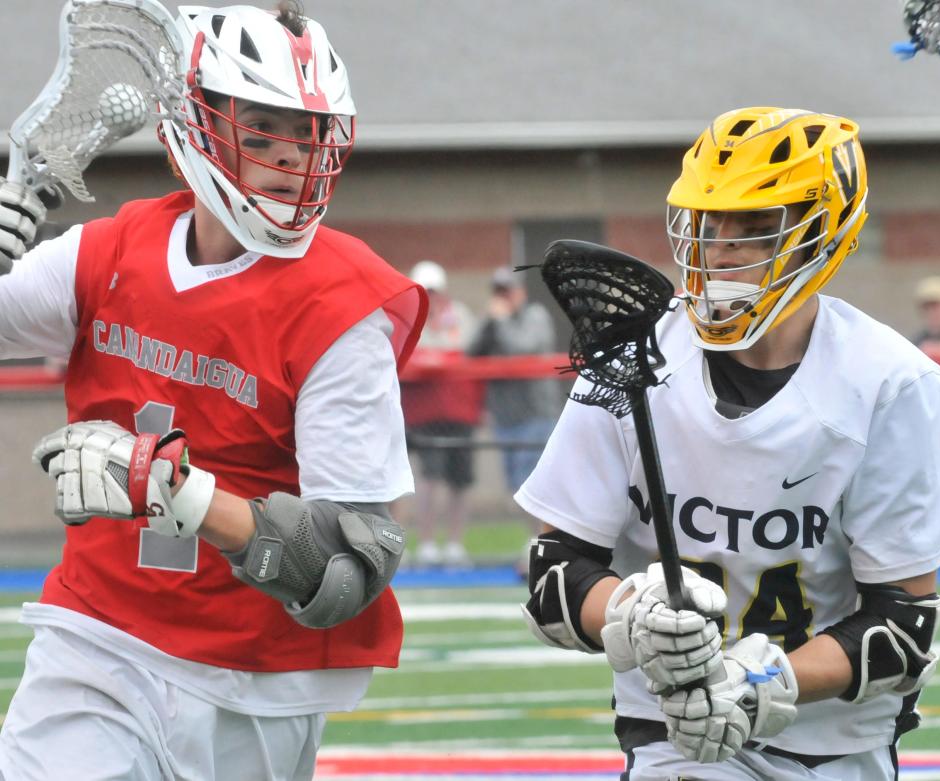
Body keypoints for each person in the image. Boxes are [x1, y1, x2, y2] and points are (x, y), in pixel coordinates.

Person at [0, 3, 425, 780]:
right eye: (262, 131)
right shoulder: (105, 250)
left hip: (251, 678)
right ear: (192, 123)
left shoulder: (342, 304)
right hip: (95, 634)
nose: (292, 159)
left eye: (308, 133)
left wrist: (172, 490)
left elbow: (348, 562)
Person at [516, 107, 940, 780]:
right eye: (707, 226)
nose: (717, 253)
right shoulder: (632, 356)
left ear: (821, 237)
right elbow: (554, 574)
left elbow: (900, 629)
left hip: (834, 740)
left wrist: (760, 684)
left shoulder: (892, 385)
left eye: (752, 231)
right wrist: (634, 612)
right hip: (674, 736)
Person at [401, 260, 482, 566]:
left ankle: (455, 544)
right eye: (425, 291)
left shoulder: (459, 314)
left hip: (459, 412)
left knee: (460, 480)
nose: (431, 297)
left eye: (434, 291)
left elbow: (468, 350)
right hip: (422, 414)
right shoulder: (409, 316)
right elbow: (412, 353)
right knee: (428, 479)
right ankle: (425, 543)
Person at [468, 266, 563, 527]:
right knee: (515, 487)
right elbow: (470, 351)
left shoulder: (535, 316)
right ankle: (533, 538)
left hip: (536, 415)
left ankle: (542, 538)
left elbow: (521, 349)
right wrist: (489, 321)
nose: (503, 298)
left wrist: (501, 321)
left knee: (533, 483)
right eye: (499, 292)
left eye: (508, 292)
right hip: (505, 417)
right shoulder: (494, 320)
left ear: (520, 292)